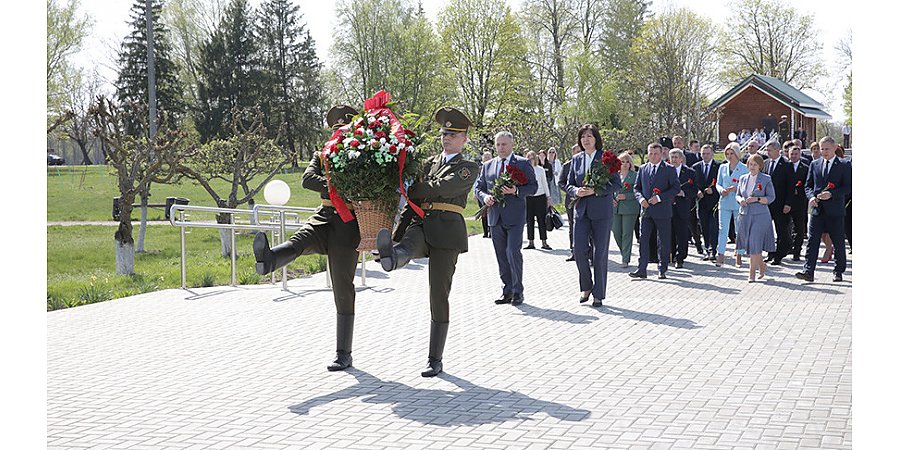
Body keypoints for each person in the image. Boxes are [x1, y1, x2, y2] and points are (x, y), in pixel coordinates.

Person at [253, 105, 362, 372]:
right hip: (324, 215)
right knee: (299, 240)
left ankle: (343, 353)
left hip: (349, 223)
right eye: (335, 130)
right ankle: (269, 261)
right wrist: (337, 186)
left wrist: (336, 183)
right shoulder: (322, 154)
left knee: (342, 286)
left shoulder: (361, 156)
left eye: (343, 130)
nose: (338, 134)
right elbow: (307, 180)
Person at [376, 106, 480, 377]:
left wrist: (412, 188)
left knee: (438, 294)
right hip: (423, 223)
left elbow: (441, 188)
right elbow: (414, 198)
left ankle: (435, 358)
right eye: (444, 133)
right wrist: (395, 232)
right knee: (407, 247)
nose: (446, 138)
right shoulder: (427, 163)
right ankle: (392, 258)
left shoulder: (468, 167)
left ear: (464, 139)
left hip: (447, 231)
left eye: (453, 134)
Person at [474, 131, 538, 306]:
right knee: (501, 255)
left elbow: (533, 187)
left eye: (504, 144)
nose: (501, 148)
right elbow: (478, 187)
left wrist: (516, 191)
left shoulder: (523, 163)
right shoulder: (488, 166)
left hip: (515, 217)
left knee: (512, 252)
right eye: (498, 145)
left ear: (512, 145)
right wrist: (485, 197)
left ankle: (518, 291)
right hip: (495, 217)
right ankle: (507, 290)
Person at [566, 124, 622, 305]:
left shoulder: (606, 158)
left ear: (596, 138)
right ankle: (586, 286)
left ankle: (599, 294)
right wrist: (576, 191)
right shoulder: (576, 160)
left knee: (600, 254)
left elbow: (616, 184)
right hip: (581, 211)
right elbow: (566, 184)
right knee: (579, 250)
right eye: (583, 136)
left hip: (601, 212)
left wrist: (596, 191)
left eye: (589, 136)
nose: (586, 139)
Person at [795, 137, 852, 283]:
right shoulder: (815, 164)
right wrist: (811, 197)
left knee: (838, 242)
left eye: (827, 149)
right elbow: (808, 186)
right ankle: (808, 271)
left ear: (834, 149)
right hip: (817, 210)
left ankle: (838, 271)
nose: (824, 152)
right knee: (813, 241)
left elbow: (848, 187)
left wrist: (832, 194)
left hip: (835, 211)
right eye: (822, 149)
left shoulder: (844, 165)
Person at [630, 142, 679, 280]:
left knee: (663, 241)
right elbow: (636, 188)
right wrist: (640, 199)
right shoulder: (644, 168)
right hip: (646, 211)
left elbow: (675, 188)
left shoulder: (669, 169)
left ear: (661, 154)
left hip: (662, 211)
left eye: (656, 153)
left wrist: (659, 197)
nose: (652, 156)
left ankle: (662, 269)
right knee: (643, 239)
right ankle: (642, 268)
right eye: (650, 153)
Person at [735, 154, 777, 282]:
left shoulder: (765, 179)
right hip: (745, 215)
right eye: (750, 164)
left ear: (760, 166)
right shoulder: (743, 178)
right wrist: (741, 200)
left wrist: (757, 199)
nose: (752, 167)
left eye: (755, 165)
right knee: (751, 244)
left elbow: (771, 197)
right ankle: (762, 266)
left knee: (755, 241)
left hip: (760, 215)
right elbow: (737, 194)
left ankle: (751, 272)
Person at [715, 142, 749, 267]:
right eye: (727, 154)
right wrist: (721, 190)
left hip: (738, 202)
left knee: (738, 229)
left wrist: (736, 188)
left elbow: (746, 185)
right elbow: (718, 183)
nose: (729, 156)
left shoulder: (744, 168)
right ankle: (721, 254)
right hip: (724, 202)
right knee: (722, 229)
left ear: (737, 154)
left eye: (732, 153)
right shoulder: (722, 167)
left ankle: (739, 254)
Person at [762, 141, 794, 265]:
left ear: (777, 150)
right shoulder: (765, 164)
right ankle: (770, 252)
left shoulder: (786, 164)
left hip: (781, 204)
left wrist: (788, 203)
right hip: (767, 203)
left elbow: (791, 186)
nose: (767, 152)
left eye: (769, 150)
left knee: (782, 230)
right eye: (767, 150)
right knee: (768, 230)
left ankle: (780, 254)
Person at [668, 148, 698, 268]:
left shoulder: (690, 172)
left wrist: (684, 193)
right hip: (668, 207)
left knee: (682, 234)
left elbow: (694, 189)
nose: (674, 159)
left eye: (676, 157)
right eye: (672, 157)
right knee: (669, 233)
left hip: (682, 207)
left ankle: (680, 258)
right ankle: (671, 255)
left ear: (681, 159)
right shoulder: (666, 170)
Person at [693, 144, 720, 261]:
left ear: (712, 154)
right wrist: (697, 191)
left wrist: (713, 190)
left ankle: (713, 250)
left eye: (708, 153)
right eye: (703, 154)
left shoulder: (719, 166)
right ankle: (707, 249)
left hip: (714, 202)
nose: (705, 156)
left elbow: (721, 182)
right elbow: (693, 184)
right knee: (704, 227)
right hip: (702, 202)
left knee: (713, 227)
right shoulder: (696, 167)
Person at [612, 152, 639, 267]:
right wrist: (610, 199)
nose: (625, 164)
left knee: (627, 233)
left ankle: (625, 259)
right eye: (622, 162)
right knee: (616, 232)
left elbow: (638, 192)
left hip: (630, 208)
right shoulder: (614, 175)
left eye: (627, 162)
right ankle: (624, 253)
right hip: (615, 208)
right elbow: (608, 189)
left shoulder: (635, 175)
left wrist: (626, 196)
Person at [525, 150, 552, 250]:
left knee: (541, 220)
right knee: (529, 220)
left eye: (532, 158)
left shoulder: (540, 170)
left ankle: (544, 241)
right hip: (529, 197)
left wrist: (548, 197)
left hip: (540, 196)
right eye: (529, 158)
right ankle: (531, 241)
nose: (531, 160)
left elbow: (545, 183)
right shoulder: (525, 170)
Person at [558, 144, 582, 261]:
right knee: (573, 225)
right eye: (575, 152)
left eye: (579, 151)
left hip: (586, 198)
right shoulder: (567, 165)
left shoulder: (586, 164)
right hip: (571, 199)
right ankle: (574, 251)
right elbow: (561, 182)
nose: (578, 153)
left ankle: (589, 252)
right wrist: (572, 191)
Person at [787, 145, 809, 261]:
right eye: (791, 154)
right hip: (786, 202)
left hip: (800, 202)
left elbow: (808, 184)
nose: (793, 156)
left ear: (799, 154)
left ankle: (797, 251)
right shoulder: (785, 167)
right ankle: (787, 247)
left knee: (799, 227)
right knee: (786, 227)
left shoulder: (805, 168)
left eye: (796, 154)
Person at [476, 150, 493, 238]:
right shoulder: (479, 168)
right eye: (485, 157)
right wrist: (476, 193)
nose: (487, 158)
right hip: (481, 193)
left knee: (490, 211)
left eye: (488, 157)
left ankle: (491, 231)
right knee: (483, 212)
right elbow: (476, 181)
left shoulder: (493, 167)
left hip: (491, 192)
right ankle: (485, 231)